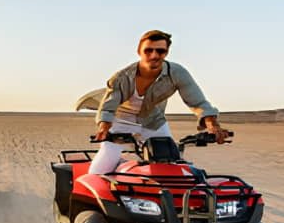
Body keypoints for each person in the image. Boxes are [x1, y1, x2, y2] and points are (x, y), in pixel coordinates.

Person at [88, 29, 228, 175]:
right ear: (139, 51)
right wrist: (104, 128)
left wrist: (212, 124)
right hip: (121, 122)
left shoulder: (177, 73)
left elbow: (198, 102)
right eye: (148, 50)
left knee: (172, 163)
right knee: (103, 165)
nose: (154, 56)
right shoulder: (122, 77)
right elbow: (108, 107)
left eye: (160, 51)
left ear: (166, 52)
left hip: (153, 121)